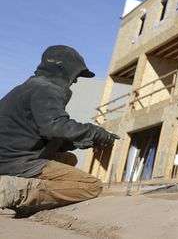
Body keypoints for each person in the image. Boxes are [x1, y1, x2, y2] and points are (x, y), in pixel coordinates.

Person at [0, 45, 119, 215]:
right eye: (75, 74)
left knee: (68, 159)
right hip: (14, 161)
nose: (75, 80)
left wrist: (77, 141)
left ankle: (18, 188)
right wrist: (94, 131)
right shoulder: (45, 89)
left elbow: (37, 132)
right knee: (92, 186)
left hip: (9, 156)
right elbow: (55, 126)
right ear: (62, 68)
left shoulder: (26, 88)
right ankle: (16, 190)